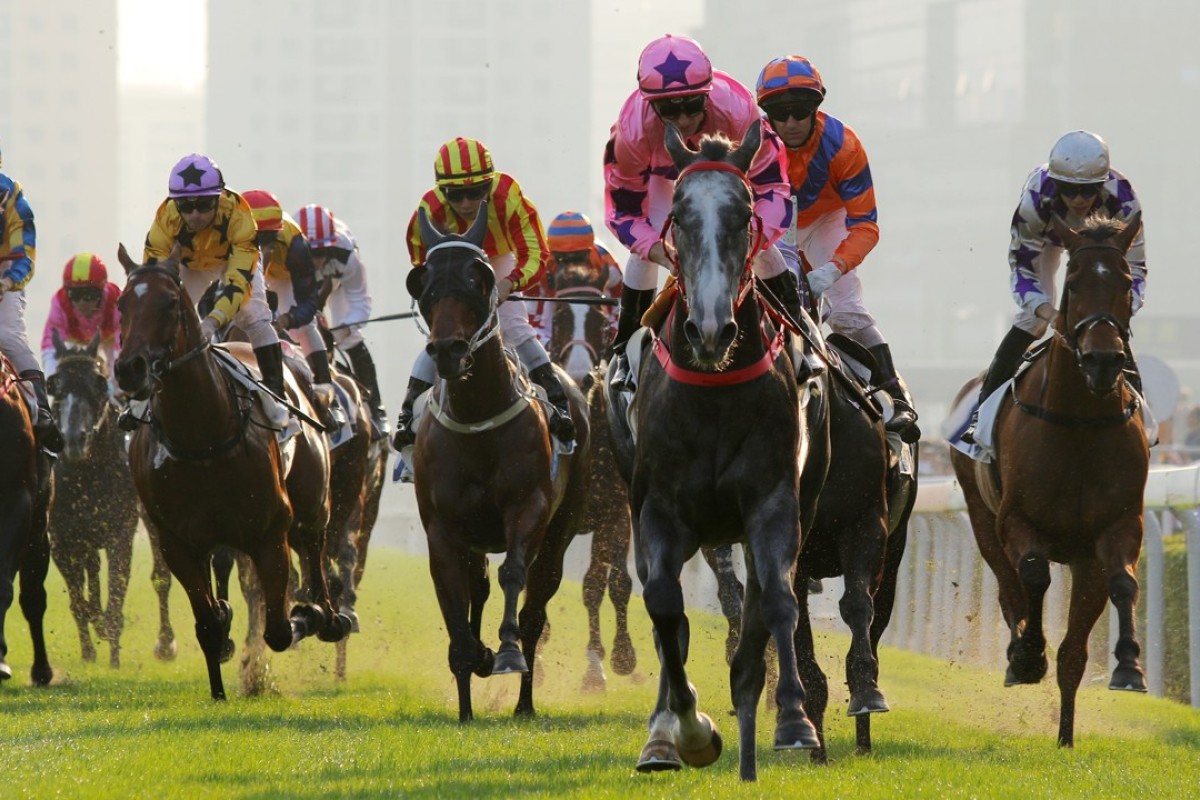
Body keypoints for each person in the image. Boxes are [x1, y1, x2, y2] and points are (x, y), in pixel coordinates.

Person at [603, 34, 798, 389]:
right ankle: (625, 351)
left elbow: (774, 187)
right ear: (650, 105)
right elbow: (624, 214)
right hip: (662, 179)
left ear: (707, 94)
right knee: (644, 252)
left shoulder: (738, 109)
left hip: (726, 176)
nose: (683, 119)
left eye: (693, 105)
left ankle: (800, 335)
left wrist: (751, 243)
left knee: (756, 244)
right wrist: (662, 252)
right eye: (669, 110)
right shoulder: (630, 132)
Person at [754, 54, 919, 442]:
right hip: (774, 219)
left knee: (845, 308)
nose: (791, 122)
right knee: (770, 300)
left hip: (827, 220)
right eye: (779, 113)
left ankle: (896, 395)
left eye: (801, 110)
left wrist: (832, 269)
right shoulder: (753, 145)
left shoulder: (844, 145)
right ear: (765, 114)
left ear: (817, 107)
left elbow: (865, 225)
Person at [961, 130, 1146, 443]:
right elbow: (1022, 266)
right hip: (1046, 241)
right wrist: (1046, 310)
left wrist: (1114, 313)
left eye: (1088, 190)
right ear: (1056, 183)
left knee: (1109, 327)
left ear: (1102, 184)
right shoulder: (1035, 199)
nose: (1079, 199)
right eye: (1069, 190)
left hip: (1102, 246)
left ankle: (1142, 421)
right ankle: (982, 416)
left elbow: (1136, 268)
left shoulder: (1124, 198)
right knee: (1032, 320)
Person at [395, 136, 577, 453]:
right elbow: (422, 264)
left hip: (499, 258)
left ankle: (558, 405)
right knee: (443, 332)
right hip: (452, 262)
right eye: (455, 194)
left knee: (515, 325)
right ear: (442, 191)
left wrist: (510, 283)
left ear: (489, 184)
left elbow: (536, 253)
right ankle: (406, 415)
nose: (466, 203)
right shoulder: (428, 211)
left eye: (477, 191)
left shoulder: (509, 195)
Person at [130, 154, 284, 427]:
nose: (195, 214)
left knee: (255, 316)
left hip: (232, 261)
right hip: (191, 265)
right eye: (186, 206)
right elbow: (154, 279)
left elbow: (237, 285)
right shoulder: (165, 218)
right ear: (175, 204)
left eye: (203, 204)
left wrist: (212, 321)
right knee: (159, 314)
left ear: (219, 198)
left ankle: (276, 396)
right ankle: (140, 397)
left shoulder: (240, 216)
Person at [243, 189, 342, 431]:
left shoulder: (296, 244)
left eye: (268, 241)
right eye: (257, 241)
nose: (263, 250)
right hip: (243, 267)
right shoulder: (227, 237)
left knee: (305, 327)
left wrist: (287, 320)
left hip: (283, 276)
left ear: (278, 235)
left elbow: (309, 303)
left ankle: (327, 395)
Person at [292, 204, 387, 437]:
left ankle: (377, 410)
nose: (315, 260)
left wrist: (341, 330)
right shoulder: (285, 252)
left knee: (350, 338)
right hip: (300, 284)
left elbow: (360, 302)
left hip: (336, 283)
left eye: (321, 253)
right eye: (310, 253)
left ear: (331, 246)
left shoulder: (346, 254)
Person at [0, 150, 63, 452]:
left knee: (5, 335)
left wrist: (7, 282)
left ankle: (41, 412)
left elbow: (24, 253)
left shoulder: (11, 196)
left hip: (6, 274)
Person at [41, 252, 122, 393]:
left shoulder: (117, 301)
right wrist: (53, 378)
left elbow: (121, 348)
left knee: (119, 382)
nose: (81, 303)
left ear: (101, 292)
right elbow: (49, 347)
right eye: (75, 295)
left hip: (111, 339)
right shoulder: (59, 303)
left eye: (88, 295)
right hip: (75, 340)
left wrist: (113, 385)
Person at [539, 210, 622, 341]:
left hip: (595, 312)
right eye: (563, 259)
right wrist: (547, 343)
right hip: (554, 310)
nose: (572, 267)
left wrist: (610, 334)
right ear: (552, 253)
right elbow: (531, 321)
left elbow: (620, 308)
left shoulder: (608, 266)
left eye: (578, 258)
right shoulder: (539, 266)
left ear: (590, 251)